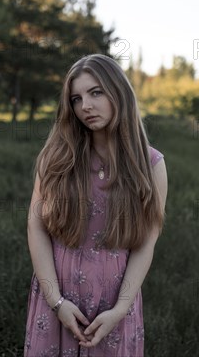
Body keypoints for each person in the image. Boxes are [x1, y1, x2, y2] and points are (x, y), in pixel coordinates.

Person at [24, 54, 168, 356]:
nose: (85, 106)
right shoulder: (56, 157)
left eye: (96, 92)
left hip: (114, 302)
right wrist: (56, 302)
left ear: (118, 91)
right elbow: (36, 226)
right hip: (57, 297)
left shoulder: (150, 165)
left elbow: (146, 242)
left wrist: (121, 309)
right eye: (76, 99)